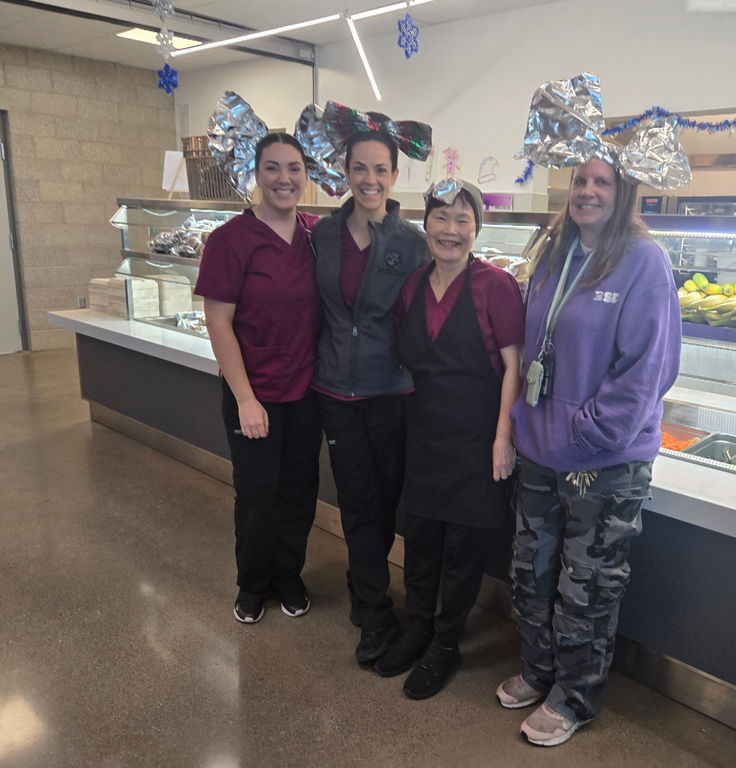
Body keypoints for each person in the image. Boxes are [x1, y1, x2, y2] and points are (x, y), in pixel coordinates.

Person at [497, 155, 682, 745]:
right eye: (580, 180)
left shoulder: (643, 261)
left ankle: (574, 697)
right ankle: (539, 670)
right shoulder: (555, 250)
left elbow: (648, 369)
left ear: (623, 191)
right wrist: (531, 425)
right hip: (540, 450)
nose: (587, 191)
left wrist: (587, 432)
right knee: (530, 572)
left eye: (602, 182)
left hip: (602, 461)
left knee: (587, 586)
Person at [373, 180, 524, 699]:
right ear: (426, 224)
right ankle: (417, 625)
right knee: (421, 537)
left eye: (463, 220)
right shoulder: (413, 286)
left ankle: (445, 642)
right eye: (441, 217)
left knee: (462, 547)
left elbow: (513, 367)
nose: (451, 230)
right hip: (425, 432)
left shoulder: (495, 286)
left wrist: (503, 437)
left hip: (479, 436)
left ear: (477, 229)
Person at [310, 130, 429, 664]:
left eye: (381, 170)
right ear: (346, 172)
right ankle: (375, 609)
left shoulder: (411, 242)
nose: (370, 180)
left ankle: (366, 588)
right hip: (336, 389)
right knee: (358, 499)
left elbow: (433, 311)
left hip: (394, 390)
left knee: (385, 500)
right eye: (360, 169)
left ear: (395, 177)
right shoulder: (321, 236)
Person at [194, 132, 322, 625]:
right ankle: (252, 585)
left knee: (298, 491)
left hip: (306, 390)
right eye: (272, 168)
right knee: (256, 494)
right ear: (257, 173)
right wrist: (246, 399)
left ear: (305, 175)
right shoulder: (231, 240)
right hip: (254, 392)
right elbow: (218, 322)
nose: (284, 179)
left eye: (293, 168)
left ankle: (289, 575)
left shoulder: (313, 234)